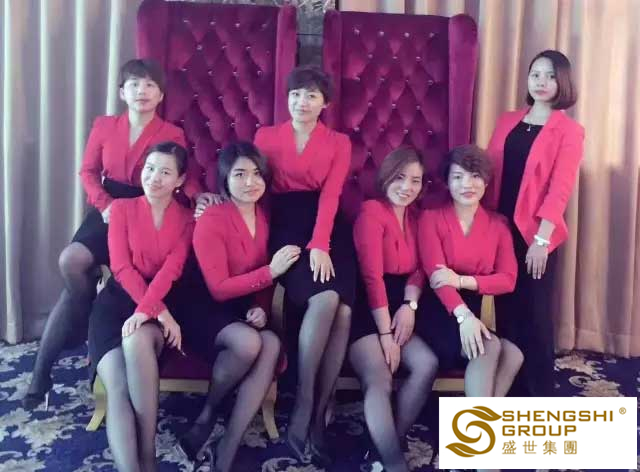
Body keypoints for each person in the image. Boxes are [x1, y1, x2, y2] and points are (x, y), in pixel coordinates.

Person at [23, 59, 203, 409]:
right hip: (110, 206)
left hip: (147, 207)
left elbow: (184, 176)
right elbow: (88, 171)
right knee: (71, 261)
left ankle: (41, 375)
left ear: (161, 94)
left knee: (78, 288)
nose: (142, 91)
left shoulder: (172, 133)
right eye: (134, 84)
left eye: (150, 85)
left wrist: (200, 198)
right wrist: (104, 204)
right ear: (122, 92)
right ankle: (81, 316)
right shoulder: (105, 125)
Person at [254, 66, 354, 466]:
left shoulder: (339, 142)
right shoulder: (266, 137)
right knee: (326, 299)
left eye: (311, 95)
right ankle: (305, 402)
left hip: (328, 229)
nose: (302, 102)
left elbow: (331, 196)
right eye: (296, 94)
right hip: (283, 227)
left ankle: (316, 414)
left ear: (325, 103)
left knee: (343, 310)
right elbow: (252, 187)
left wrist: (320, 244)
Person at [177, 142, 298, 472]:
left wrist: (261, 307)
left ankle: (228, 444)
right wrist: (271, 272)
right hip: (201, 306)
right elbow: (218, 288)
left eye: (257, 174)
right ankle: (208, 413)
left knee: (270, 343)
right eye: (240, 174)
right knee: (248, 342)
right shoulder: (212, 218)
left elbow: (263, 283)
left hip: (240, 305)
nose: (250, 182)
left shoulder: (264, 217)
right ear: (225, 180)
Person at [87, 142, 193, 472]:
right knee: (117, 389)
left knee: (137, 348)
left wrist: (150, 311)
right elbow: (120, 268)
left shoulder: (187, 219)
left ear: (180, 180)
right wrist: (159, 312)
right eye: (150, 169)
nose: (154, 178)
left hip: (159, 302)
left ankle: (148, 457)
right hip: (116, 304)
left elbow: (172, 270)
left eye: (165, 172)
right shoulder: (121, 209)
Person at [485, 50, 584, 396]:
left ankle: (537, 395)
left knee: (535, 315)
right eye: (535, 74)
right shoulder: (507, 120)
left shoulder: (569, 131)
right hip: (499, 228)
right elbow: (490, 171)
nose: (541, 82)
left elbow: (560, 189)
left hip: (535, 234)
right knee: (506, 310)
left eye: (550, 76)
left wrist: (541, 240)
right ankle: (506, 390)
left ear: (562, 83)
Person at [348, 148, 439, 472]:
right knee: (380, 378)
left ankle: (382, 445)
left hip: (400, 308)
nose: (407, 187)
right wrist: (386, 336)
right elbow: (371, 278)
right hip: (366, 310)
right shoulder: (371, 212)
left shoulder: (417, 217)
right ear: (386, 176)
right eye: (400, 178)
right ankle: (395, 463)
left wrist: (409, 304)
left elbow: (421, 269)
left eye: (415, 180)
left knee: (426, 364)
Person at [418, 144, 523, 400]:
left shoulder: (498, 225)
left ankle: (479, 418)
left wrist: (462, 280)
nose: (467, 184)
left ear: (485, 181)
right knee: (489, 346)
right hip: (439, 309)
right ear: (447, 182)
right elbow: (437, 278)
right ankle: (478, 423)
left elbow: (508, 280)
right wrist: (463, 317)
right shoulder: (430, 219)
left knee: (514, 355)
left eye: (475, 176)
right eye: (458, 176)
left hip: (473, 311)